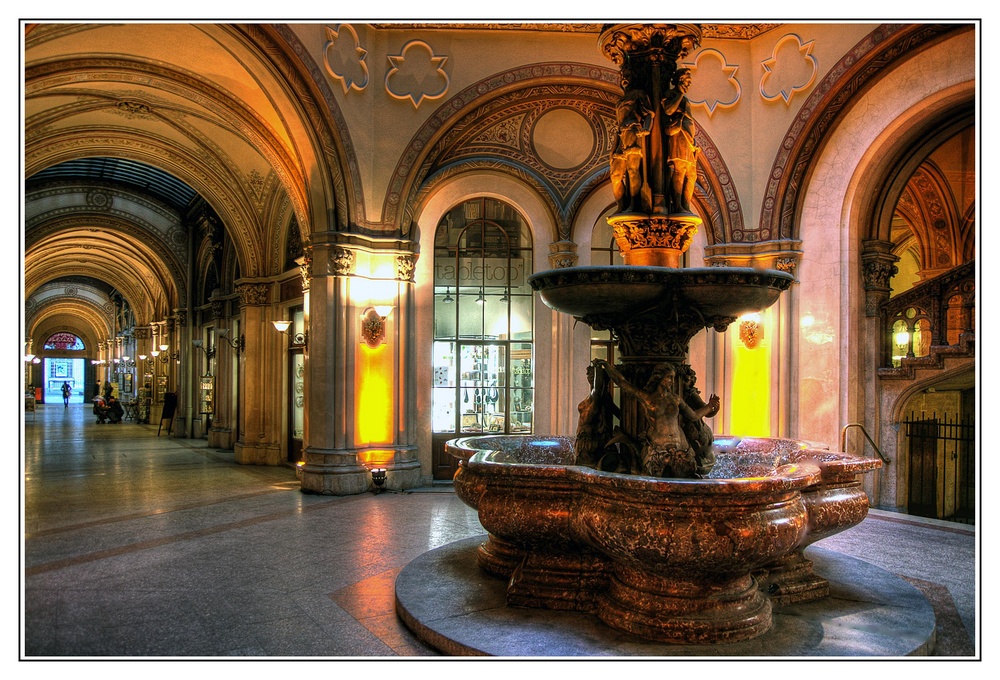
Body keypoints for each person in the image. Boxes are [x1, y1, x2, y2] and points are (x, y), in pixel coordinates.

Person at [661, 67, 700, 216]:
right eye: (687, 81)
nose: (688, 84)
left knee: (692, 175)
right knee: (680, 171)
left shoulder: (684, 99)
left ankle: (685, 205)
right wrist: (680, 94)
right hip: (679, 137)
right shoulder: (671, 94)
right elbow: (669, 110)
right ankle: (677, 206)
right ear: (679, 80)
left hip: (688, 139)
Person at [575, 360, 621, 470]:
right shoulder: (594, 398)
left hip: (593, 443)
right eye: (590, 374)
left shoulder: (600, 398)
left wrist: (599, 367)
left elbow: (598, 389)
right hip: (586, 442)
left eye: (593, 375)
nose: (589, 376)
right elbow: (618, 413)